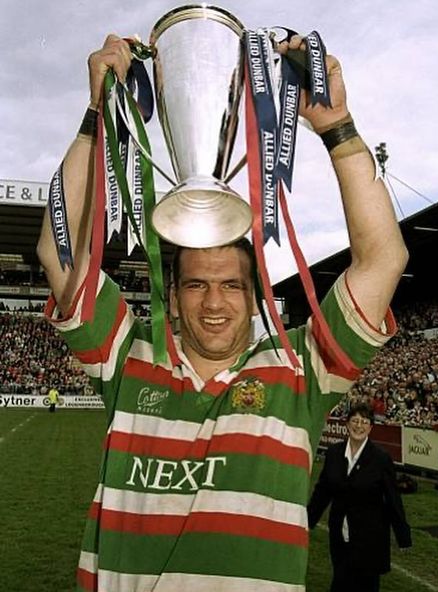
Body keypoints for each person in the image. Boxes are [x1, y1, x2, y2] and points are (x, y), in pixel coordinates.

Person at [36, 32, 408, 592]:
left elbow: (384, 260)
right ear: (172, 294)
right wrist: (97, 114)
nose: (213, 303)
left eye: (231, 285)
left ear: (257, 294)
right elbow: (58, 252)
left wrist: (337, 126)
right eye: (196, 285)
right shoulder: (128, 355)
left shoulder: (299, 371)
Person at [307, 403, 412, 592]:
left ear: (371, 427)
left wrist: (403, 535)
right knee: (340, 581)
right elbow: (323, 491)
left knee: (365, 584)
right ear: (347, 424)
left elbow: (393, 499)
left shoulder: (381, 459)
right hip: (340, 533)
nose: (359, 426)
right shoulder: (334, 454)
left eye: (364, 421)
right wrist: (307, 521)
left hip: (370, 536)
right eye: (355, 420)